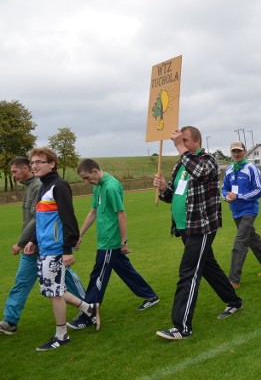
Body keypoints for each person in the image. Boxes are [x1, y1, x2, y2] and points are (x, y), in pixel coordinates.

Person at [154, 127, 243, 340]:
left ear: (196, 141)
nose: (181, 143)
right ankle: (234, 301)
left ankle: (182, 327)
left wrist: (179, 147)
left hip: (201, 226)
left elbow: (201, 173)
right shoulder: (181, 164)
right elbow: (170, 196)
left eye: (184, 140)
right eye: (179, 140)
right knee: (208, 266)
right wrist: (163, 186)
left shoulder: (207, 160)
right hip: (185, 227)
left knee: (189, 272)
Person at [66, 159, 159, 331]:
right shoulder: (98, 186)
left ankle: (88, 313)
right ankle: (150, 296)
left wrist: (123, 241)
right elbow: (93, 211)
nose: (87, 182)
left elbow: (121, 215)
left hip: (110, 241)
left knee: (97, 276)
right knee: (125, 270)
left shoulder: (111, 186)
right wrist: (80, 234)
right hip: (104, 240)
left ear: (95, 170)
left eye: (87, 178)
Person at [23, 148, 99, 351]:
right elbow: (42, 220)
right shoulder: (44, 187)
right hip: (45, 247)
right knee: (52, 290)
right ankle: (89, 308)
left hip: (56, 249)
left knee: (55, 292)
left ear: (52, 164)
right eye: (33, 162)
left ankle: (61, 335)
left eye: (40, 161)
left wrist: (67, 250)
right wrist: (33, 240)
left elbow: (69, 219)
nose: (35, 165)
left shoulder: (59, 186)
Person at [0, 157, 86, 336]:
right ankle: (10, 321)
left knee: (62, 280)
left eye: (15, 171)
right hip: (37, 245)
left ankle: (87, 309)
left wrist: (23, 242)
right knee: (25, 282)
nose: (13, 175)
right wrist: (32, 241)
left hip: (50, 246)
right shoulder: (34, 186)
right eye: (33, 162)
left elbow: (55, 218)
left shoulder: (45, 185)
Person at [222, 141, 261, 288]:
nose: (236, 154)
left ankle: (233, 280)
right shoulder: (228, 169)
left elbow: (259, 190)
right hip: (235, 211)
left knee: (240, 243)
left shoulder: (251, 168)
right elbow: (224, 188)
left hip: (249, 210)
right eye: (233, 151)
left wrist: (239, 196)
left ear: (245, 151)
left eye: (239, 151)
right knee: (252, 239)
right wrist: (226, 197)